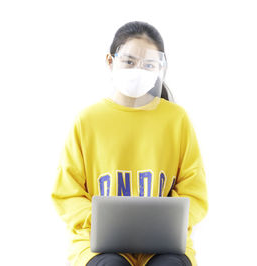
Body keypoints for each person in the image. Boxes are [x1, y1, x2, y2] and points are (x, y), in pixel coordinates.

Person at [51, 21, 208, 266]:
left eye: (149, 64)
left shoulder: (176, 119)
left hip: (163, 243)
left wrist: (166, 223)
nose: (139, 70)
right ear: (110, 61)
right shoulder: (87, 120)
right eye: (130, 61)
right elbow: (66, 192)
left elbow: (194, 190)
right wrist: (101, 222)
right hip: (96, 243)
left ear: (160, 68)